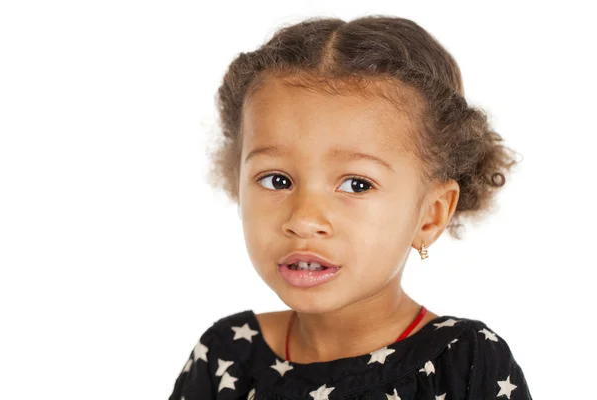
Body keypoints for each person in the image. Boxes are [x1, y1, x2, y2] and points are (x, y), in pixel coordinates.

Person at [169, 15, 532, 400]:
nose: (304, 219)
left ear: (431, 214)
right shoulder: (226, 357)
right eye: (277, 180)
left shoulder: (465, 364)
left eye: (357, 184)